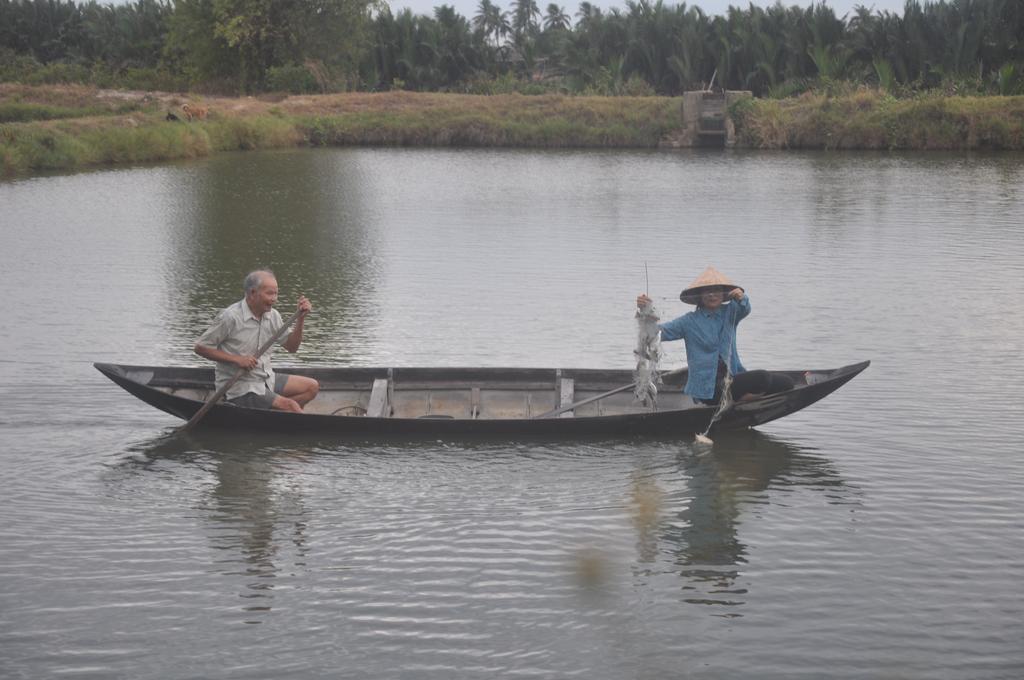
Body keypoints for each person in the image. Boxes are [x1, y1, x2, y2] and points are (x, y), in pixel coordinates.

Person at [636, 265, 792, 405]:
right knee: (762, 377)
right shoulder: (689, 321)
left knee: (786, 383)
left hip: (733, 378)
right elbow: (655, 333)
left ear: (723, 294)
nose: (712, 295)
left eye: (716, 290)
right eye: (707, 291)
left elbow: (745, 308)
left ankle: (739, 399)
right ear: (700, 296)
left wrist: (742, 297)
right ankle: (735, 401)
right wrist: (645, 310)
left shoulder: (730, 313)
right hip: (709, 390)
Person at [194, 269, 319, 413]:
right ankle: (288, 414)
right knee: (290, 406)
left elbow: (292, 347)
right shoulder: (230, 317)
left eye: (276, 293)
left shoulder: (273, 316)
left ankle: (276, 416)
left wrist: (300, 320)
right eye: (270, 293)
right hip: (238, 386)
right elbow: (200, 347)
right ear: (253, 293)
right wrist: (237, 360)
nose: (274, 299)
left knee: (312, 387)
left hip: (266, 379)